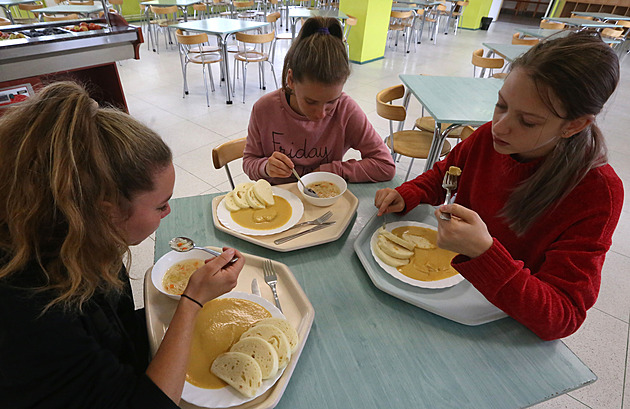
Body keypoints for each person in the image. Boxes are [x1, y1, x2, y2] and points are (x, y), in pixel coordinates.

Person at [0, 82, 245, 408]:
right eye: (160, 206)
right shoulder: (34, 312)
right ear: (107, 209)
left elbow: (117, 334)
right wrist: (191, 302)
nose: (168, 212)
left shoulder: (81, 237)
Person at [374, 32, 623, 341]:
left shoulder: (597, 193)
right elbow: (446, 174)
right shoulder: (488, 138)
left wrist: (484, 252)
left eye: (528, 121)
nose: (500, 126)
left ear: (574, 125)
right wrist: (409, 193)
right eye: (501, 104)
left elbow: (562, 316)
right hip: (447, 292)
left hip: (501, 320)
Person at [242, 16, 396, 185]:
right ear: (291, 80)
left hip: (323, 200)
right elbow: (249, 162)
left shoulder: (346, 109)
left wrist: (332, 171)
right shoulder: (264, 109)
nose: (321, 114)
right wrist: (265, 167)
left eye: (331, 102)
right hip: (280, 198)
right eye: (310, 101)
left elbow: (385, 165)